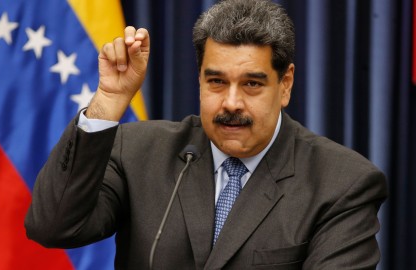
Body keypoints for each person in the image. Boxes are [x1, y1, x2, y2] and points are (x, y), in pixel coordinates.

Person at [25, 0, 388, 269]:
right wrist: (108, 100)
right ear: (199, 79)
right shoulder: (138, 151)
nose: (231, 103)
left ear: (285, 84)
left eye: (252, 84)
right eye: (216, 81)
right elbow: (53, 227)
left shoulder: (342, 184)